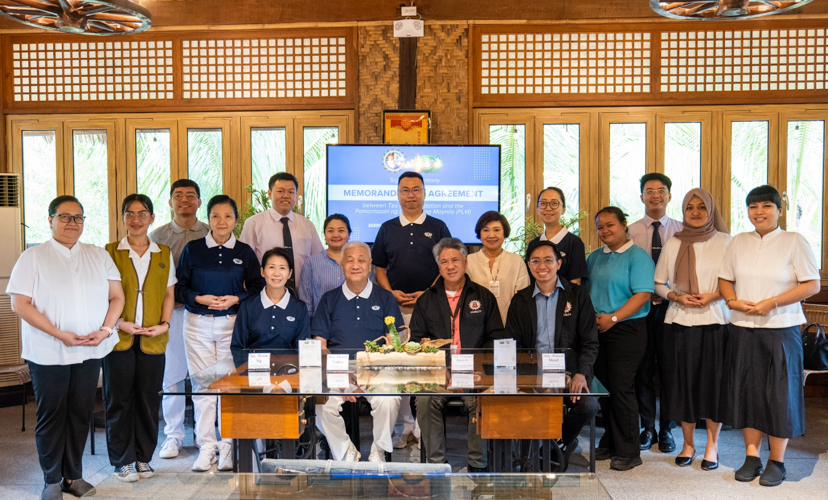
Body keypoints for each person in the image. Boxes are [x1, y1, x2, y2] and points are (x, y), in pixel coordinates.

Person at [7, 195, 125, 500]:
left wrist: (105, 330)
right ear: (50, 220)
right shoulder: (33, 257)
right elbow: (20, 304)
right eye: (65, 217)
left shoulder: (98, 255)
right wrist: (59, 333)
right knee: (52, 413)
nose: (72, 223)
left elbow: (117, 297)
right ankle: (51, 479)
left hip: (90, 349)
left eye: (78, 217)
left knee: (79, 412)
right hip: (48, 351)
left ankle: (73, 476)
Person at [719, 185, 820, 487]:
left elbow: (812, 284)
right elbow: (725, 279)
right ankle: (752, 457)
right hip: (741, 328)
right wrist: (732, 301)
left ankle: (777, 461)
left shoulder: (794, 241)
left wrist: (772, 302)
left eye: (765, 205)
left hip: (781, 330)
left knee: (779, 396)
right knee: (746, 392)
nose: (759, 212)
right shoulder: (738, 241)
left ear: (779, 209)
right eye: (753, 206)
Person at [175, 195, 265, 473]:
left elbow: (257, 286)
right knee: (203, 386)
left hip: (231, 324)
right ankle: (206, 446)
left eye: (227, 216)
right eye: (216, 216)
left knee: (229, 385)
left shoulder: (245, 251)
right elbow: (180, 288)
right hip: (197, 323)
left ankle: (228, 445)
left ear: (235, 220)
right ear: (208, 218)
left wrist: (234, 299)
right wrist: (200, 298)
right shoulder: (193, 249)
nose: (221, 221)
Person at [410, 238, 505, 473]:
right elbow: (415, 342)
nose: (450, 266)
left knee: (483, 401)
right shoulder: (426, 300)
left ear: (465, 261)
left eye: (455, 260)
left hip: (475, 373)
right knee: (424, 400)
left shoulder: (483, 297)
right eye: (444, 262)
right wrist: (438, 369)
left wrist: (478, 369)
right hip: (439, 374)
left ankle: (477, 464)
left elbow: (495, 338)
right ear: (438, 266)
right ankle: (436, 465)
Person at [372, 171, 451, 447]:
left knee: (423, 365)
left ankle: (422, 426)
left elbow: (447, 266)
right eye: (405, 190)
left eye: (416, 189)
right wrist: (389, 293)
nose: (411, 195)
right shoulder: (386, 228)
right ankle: (405, 425)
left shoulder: (439, 227)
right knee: (399, 366)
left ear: (425, 192)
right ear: (397, 194)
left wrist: (427, 294)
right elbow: (379, 268)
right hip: (395, 310)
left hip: (429, 308)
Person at [506, 239, 599, 471]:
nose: (542, 266)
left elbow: (590, 341)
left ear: (558, 263)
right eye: (535, 261)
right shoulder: (520, 300)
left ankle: (558, 442)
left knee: (588, 405)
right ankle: (551, 443)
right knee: (505, 405)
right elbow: (513, 345)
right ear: (529, 265)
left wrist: (580, 374)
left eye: (548, 260)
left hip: (569, 372)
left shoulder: (577, 296)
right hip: (532, 374)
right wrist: (535, 377)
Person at [654, 188, 730, 470]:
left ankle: (712, 446)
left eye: (701, 207)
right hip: (679, 323)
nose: (695, 212)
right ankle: (688, 444)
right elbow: (659, 283)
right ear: (683, 212)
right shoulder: (674, 242)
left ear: (711, 211)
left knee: (713, 387)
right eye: (689, 208)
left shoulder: (726, 241)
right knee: (681, 386)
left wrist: (714, 295)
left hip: (715, 322)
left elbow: (734, 281)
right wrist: (676, 296)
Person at [104, 194, 176, 482]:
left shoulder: (163, 252)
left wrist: (165, 324)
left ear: (152, 218)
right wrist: (119, 324)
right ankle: (121, 460)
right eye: (130, 214)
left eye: (142, 213)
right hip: (119, 340)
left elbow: (169, 293)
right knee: (118, 399)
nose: (136, 219)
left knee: (147, 400)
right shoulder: (109, 251)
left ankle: (143, 458)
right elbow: (102, 296)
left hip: (153, 339)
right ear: (122, 218)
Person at [311, 241, 404, 462]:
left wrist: (372, 370)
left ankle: (378, 453)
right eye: (350, 260)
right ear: (342, 265)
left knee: (389, 399)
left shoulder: (385, 298)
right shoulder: (329, 299)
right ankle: (346, 453)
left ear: (370, 265)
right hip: (337, 368)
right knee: (319, 406)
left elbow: (395, 343)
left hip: (377, 368)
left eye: (361, 260)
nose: (356, 265)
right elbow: (320, 346)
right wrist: (339, 373)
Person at [585, 207, 654, 471]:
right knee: (605, 388)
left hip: (627, 330)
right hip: (598, 330)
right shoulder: (594, 257)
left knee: (622, 388)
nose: (605, 231)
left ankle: (629, 451)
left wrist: (613, 318)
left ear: (624, 225)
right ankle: (611, 440)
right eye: (600, 227)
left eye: (610, 225)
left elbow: (643, 294)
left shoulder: (638, 257)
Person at [150, 179, 211, 460]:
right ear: (170, 202)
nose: (184, 200)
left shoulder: (212, 233)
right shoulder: (157, 236)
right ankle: (173, 435)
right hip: (171, 314)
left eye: (191, 196)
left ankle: (204, 433)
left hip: (205, 316)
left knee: (204, 375)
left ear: (199, 201)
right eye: (178, 195)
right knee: (171, 376)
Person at [627, 173, 682, 453]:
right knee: (644, 371)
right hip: (642, 310)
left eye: (661, 191)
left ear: (669, 196)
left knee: (670, 371)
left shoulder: (683, 230)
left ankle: (667, 429)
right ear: (642, 197)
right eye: (649, 191)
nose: (655, 195)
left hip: (674, 309)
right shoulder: (631, 232)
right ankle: (647, 427)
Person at [240, 172, 324, 293]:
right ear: (270, 194)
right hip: (265, 295)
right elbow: (245, 262)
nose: (286, 196)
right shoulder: (253, 223)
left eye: (291, 192)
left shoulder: (307, 225)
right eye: (280, 191)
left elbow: (318, 260)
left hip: (302, 296)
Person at [231, 247, 309, 364]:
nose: (276, 273)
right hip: (254, 375)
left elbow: (302, 350)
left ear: (290, 273)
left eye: (282, 268)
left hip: (288, 374)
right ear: (262, 271)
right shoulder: (248, 306)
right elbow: (238, 348)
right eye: (271, 267)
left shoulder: (299, 308)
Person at [298, 214, 374, 318]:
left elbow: (372, 294)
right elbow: (305, 301)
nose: (335, 235)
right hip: (323, 324)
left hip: (358, 322)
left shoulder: (362, 263)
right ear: (324, 235)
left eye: (341, 230)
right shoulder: (311, 263)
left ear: (349, 234)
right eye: (330, 231)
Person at [467, 211, 530, 325]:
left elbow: (523, 299)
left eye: (496, 230)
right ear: (479, 233)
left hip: (510, 325)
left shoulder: (516, 261)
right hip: (476, 327)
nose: (491, 235)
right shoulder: (468, 261)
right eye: (486, 230)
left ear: (504, 232)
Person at [529, 187, 588, 285]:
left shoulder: (574, 243)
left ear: (563, 209)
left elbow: (575, 284)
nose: (548, 208)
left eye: (554, 203)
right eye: (543, 203)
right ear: (538, 209)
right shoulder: (533, 244)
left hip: (566, 299)